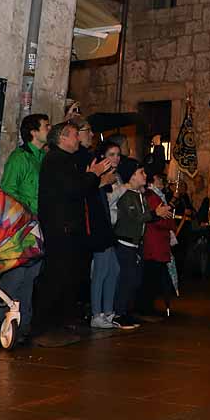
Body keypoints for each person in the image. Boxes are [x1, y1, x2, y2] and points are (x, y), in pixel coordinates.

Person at [33, 122, 111, 345]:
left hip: (69, 229)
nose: (79, 139)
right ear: (62, 138)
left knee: (67, 279)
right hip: (61, 228)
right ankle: (42, 328)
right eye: (76, 135)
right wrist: (94, 175)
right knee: (55, 278)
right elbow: (73, 189)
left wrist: (90, 176)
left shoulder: (65, 160)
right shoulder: (56, 159)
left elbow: (76, 187)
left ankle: (58, 325)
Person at [0, 113, 48, 341]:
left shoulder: (43, 158)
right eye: (46, 126)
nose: (49, 129)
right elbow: (8, 190)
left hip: (39, 224)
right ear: (33, 132)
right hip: (22, 224)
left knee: (31, 276)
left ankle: (23, 325)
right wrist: (27, 211)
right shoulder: (20, 158)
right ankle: (6, 324)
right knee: (16, 276)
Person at [111, 158, 171, 326]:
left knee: (135, 280)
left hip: (136, 244)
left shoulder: (139, 195)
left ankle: (127, 311)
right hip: (125, 243)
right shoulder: (127, 196)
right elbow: (135, 217)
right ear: (131, 177)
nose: (145, 175)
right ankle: (119, 313)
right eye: (141, 172)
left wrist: (156, 214)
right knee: (126, 279)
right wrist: (155, 214)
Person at [88, 141, 122, 329]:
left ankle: (108, 312)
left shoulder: (118, 176)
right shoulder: (100, 176)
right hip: (100, 227)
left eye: (117, 154)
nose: (115, 158)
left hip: (110, 228)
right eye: (111, 154)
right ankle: (96, 313)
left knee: (114, 269)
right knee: (101, 271)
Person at [139, 174, 178, 317]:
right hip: (154, 243)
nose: (162, 182)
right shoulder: (152, 196)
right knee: (151, 278)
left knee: (153, 277)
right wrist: (170, 223)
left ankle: (148, 307)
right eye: (159, 179)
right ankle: (146, 308)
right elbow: (161, 219)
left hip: (157, 243)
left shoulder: (154, 195)